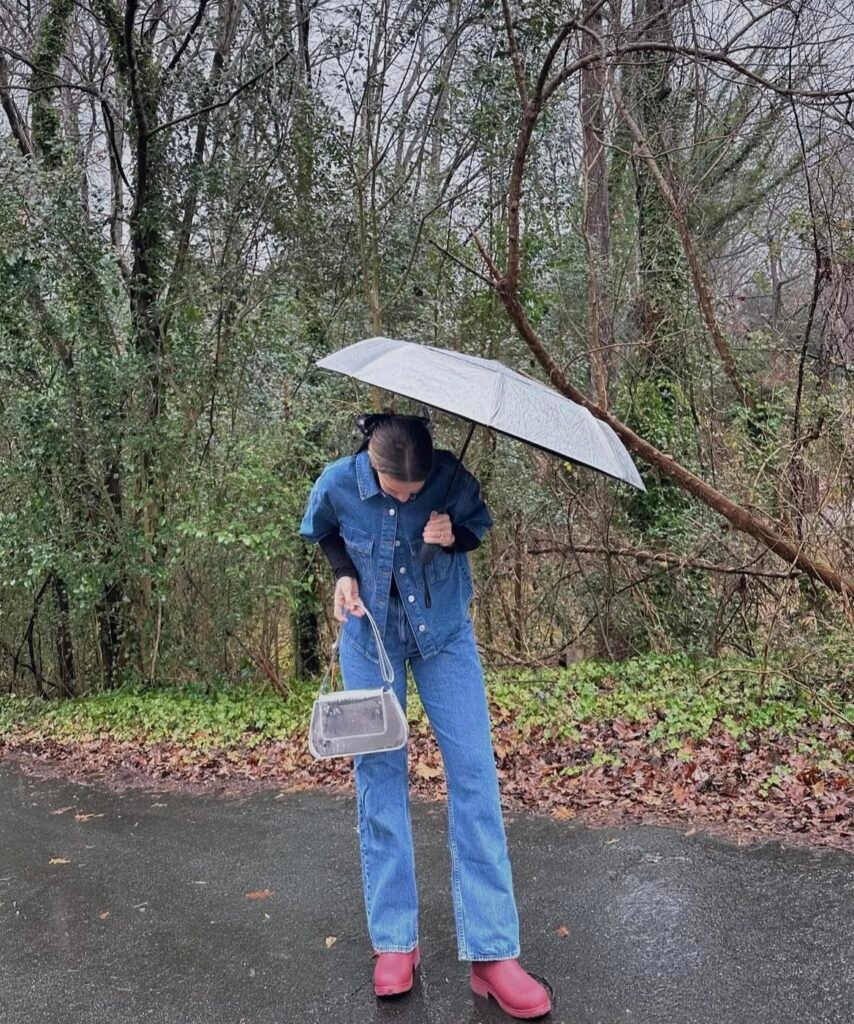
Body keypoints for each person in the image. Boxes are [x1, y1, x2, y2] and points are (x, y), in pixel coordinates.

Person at [298, 412, 552, 1020]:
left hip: (444, 639)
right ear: (371, 462)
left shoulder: (448, 476)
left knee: (474, 775)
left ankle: (492, 954)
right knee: (379, 776)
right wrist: (342, 577)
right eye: (398, 492)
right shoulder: (337, 480)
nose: (410, 498)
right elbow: (326, 531)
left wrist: (450, 536)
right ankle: (394, 942)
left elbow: (477, 527)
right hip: (369, 640)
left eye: (417, 492)